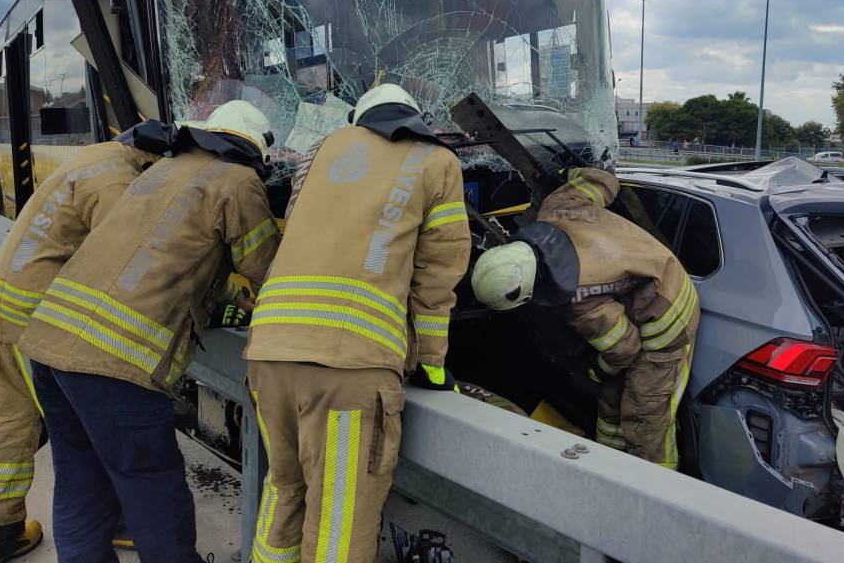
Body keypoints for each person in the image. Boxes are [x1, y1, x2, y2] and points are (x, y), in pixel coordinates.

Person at [18, 101, 280, 563]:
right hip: (116, 364)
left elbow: (159, 254)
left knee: (81, 487)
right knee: (155, 493)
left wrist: (224, 296)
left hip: (49, 344)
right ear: (255, 151)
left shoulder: (161, 170)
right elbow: (269, 273)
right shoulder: (240, 182)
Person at [246, 83, 470, 563]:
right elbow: (438, 271)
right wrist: (432, 362)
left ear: (358, 119)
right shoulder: (437, 161)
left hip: (268, 352)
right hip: (350, 368)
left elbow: (300, 225)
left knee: (285, 490)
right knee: (338, 526)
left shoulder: (319, 151)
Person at [0, 119, 175, 563]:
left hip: (1, 301)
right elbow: (125, 261)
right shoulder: (119, 183)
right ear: (155, 159)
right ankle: (13, 534)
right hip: (32, 318)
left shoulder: (95, 158)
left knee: (15, 413)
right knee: (73, 426)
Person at [471, 167, 699, 469]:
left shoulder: (578, 299)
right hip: (655, 279)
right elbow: (602, 180)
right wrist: (568, 170)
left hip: (666, 320)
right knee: (610, 402)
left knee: (645, 416)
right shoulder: (558, 208)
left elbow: (624, 349)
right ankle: (608, 469)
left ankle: (659, 490)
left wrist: (595, 372)